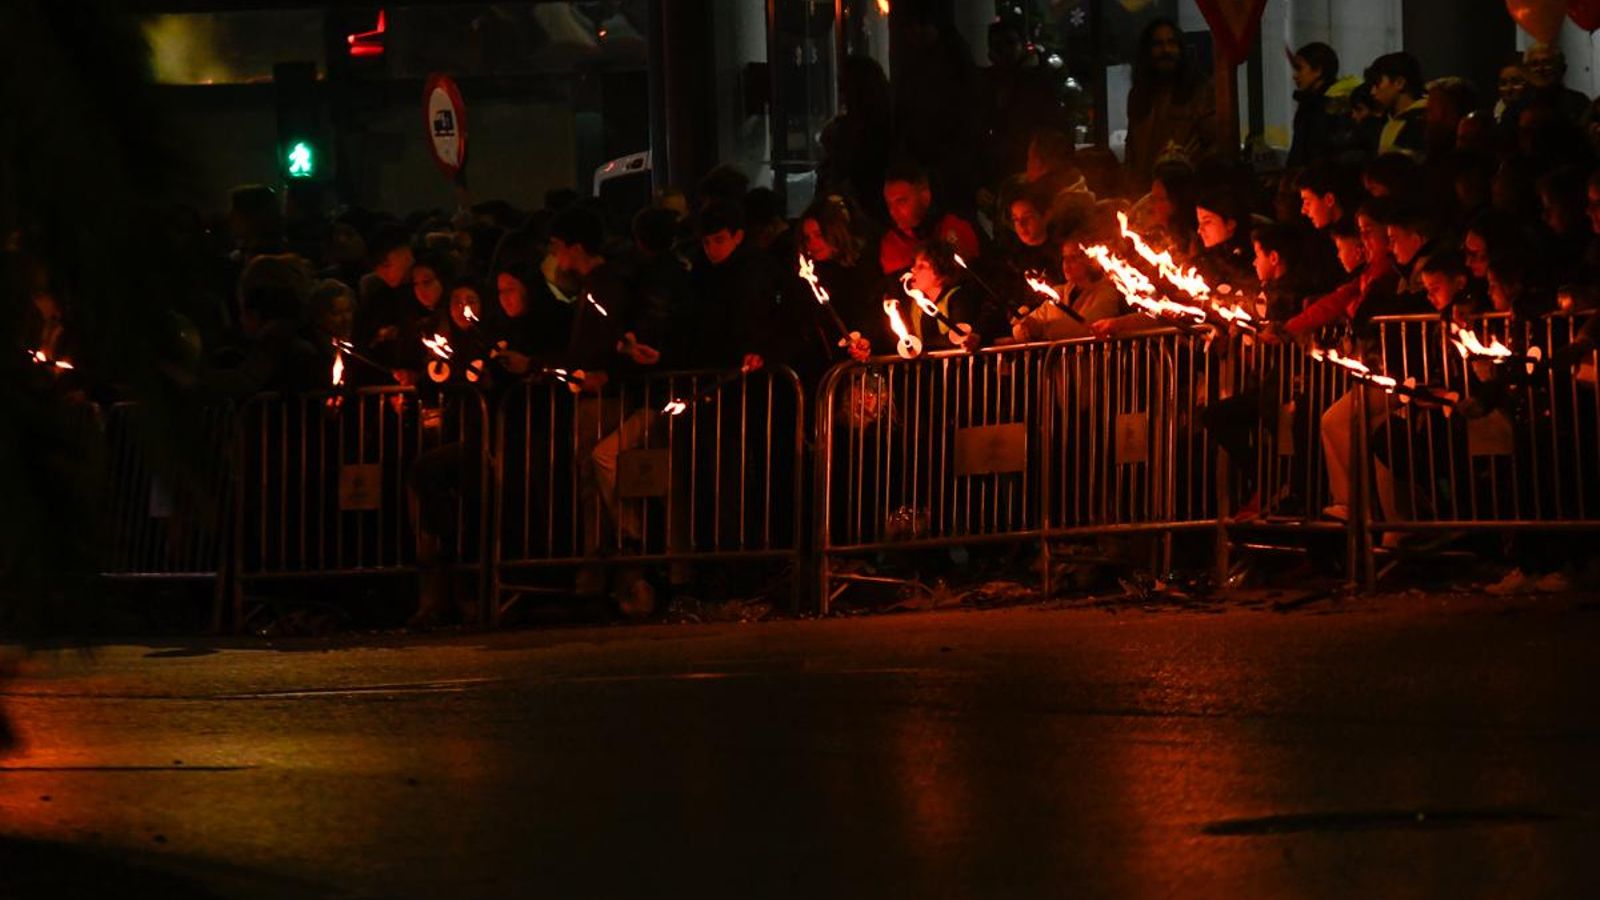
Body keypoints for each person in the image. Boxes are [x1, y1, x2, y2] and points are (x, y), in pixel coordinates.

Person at [1124, 18, 1215, 192]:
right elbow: (1132, 153)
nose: (1166, 50)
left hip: (1185, 194)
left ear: (1180, 49)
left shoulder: (1200, 91)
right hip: (1145, 194)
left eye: (1171, 43)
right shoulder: (1138, 95)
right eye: (1158, 44)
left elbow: (1212, 146)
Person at [877, 161, 981, 276]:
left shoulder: (954, 227)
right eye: (889, 205)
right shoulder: (892, 245)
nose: (893, 211)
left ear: (924, 195)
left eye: (901, 201)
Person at [1288, 42, 1352, 167]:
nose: (1295, 76)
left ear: (1318, 70)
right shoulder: (1309, 102)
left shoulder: (1335, 103)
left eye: (1299, 68)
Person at [1365, 52, 1428, 160]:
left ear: (1399, 83)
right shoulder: (1389, 119)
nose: (1373, 91)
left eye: (1377, 84)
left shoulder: (1422, 122)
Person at [1519, 43, 1590, 127]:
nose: (1540, 69)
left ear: (1562, 68)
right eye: (1534, 64)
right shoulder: (1518, 107)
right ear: (1526, 71)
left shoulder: (1578, 103)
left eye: (1547, 63)